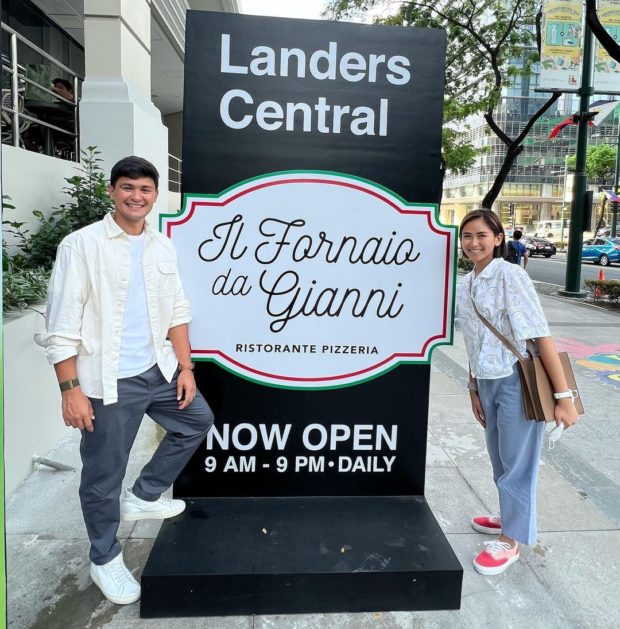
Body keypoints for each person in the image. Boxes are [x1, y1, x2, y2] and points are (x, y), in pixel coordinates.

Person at [35, 156, 214, 605]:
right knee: (103, 475)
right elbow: (61, 327)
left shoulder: (161, 246)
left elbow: (177, 310)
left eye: (145, 189)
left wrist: (185, 367)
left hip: (158, 370)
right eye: (128, 187)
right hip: (107, 380)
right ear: (112, 191)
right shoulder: (81, 245)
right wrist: (70, 390)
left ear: (155, 194)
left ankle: (145, 494)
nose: (136, 196)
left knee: (197, 420)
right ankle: (104, 557)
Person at [455, 209, 578, 576]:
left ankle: (510, 540)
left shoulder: (510, 275)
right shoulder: (466, 283)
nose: (473, 242)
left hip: (516, 380)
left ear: (498, 239)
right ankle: (509, 514)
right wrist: (473, 387)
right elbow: (473, 340)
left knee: (517, 462)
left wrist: (564, 397)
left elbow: (540, 335)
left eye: (481, 235)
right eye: (467, 236)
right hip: (487, 381)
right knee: (500, 458)